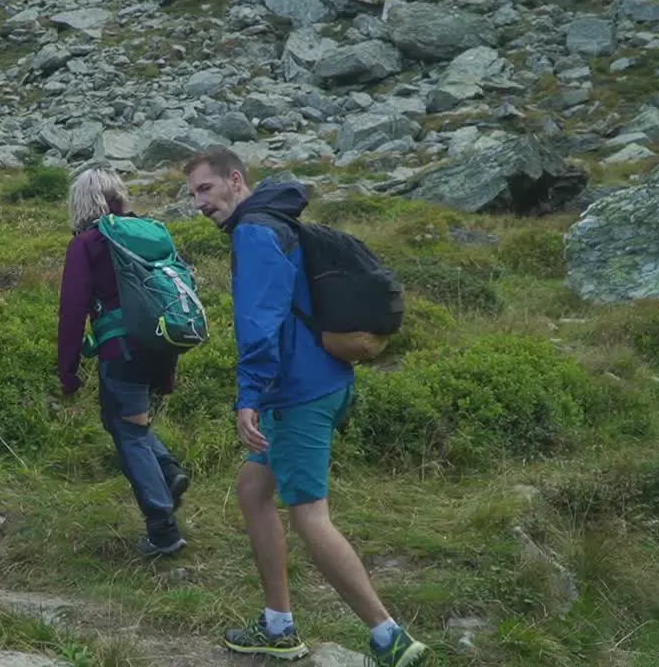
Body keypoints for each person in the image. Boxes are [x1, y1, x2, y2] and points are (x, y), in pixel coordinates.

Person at [183, 147, 429, 667]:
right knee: (253, 488)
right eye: (193, 195)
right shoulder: (276, 220)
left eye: (205, 189)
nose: (199, 203)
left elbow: (261, 320)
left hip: (299, 395)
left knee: (310, 515)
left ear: (235, 180)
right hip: (321, 381)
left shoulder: (255, 232)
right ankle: (278, 624)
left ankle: (390, 638)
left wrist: (248, 396)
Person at [55, 166, 191, 558]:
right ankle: (168, 471)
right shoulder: (146, 233)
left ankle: (163, 531)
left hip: (121, 351)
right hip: (159, 346)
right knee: (131, 422)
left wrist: (67, 371)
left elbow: (72, 310)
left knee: (125, 430)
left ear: (81, 201)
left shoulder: (88, 243)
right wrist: (168, 371)